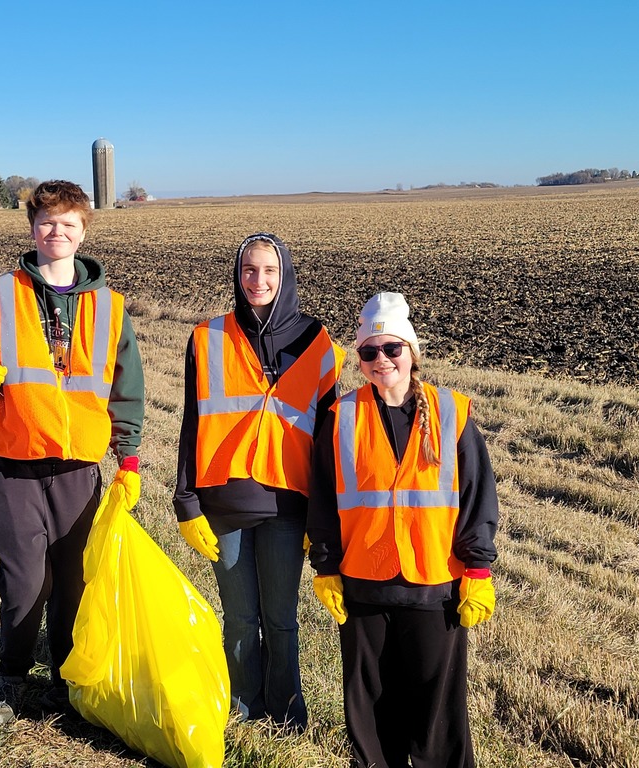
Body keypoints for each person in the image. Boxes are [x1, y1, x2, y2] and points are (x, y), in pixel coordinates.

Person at [0, 180, 145, 725]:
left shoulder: (111, 307)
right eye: (46, 222)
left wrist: (128, 457)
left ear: (83, 231)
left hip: (78, 467)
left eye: (68, 223)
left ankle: (66, 683)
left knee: (72, 582)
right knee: (25, 581)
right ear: (32, 229)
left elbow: (126, 389)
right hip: (11, 462)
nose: (56, 232)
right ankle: (11, 679)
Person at [307, 291, 498, 767]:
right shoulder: (341, 417)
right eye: (369, 351)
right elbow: (323, 500)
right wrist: (326, 567)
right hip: (363, 587)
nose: (381, 360)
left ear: (411, 352)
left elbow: (477, 497)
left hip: (434, 586)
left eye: (392, 348)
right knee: (371, 714)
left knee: (437, 719)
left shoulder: (451, 413)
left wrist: (477, 571)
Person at [173, 233, 345, 732]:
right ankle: (243, 708)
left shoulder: (316, 341)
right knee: (240, 618)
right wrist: (186, 502)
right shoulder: (207, 337)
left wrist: (324, 518)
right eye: (249, 269)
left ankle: (287, 714)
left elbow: (330, 438)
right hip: (223, 503)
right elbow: (192, 423)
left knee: (281, 619)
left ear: (284, 274)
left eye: (269, 270)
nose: (258, 280)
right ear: (237, 274)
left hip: (288, 508)